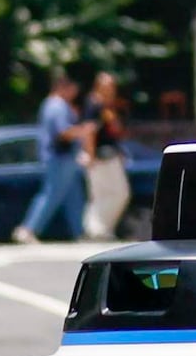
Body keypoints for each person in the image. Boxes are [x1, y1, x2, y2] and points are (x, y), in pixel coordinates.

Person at [25, 67, 89, 242]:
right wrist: (83, 131)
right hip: (60, 156)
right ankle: (28, 229)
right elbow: (63, 132)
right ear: (63, 87)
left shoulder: (50, 104)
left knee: (74, 197)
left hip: (64, 157)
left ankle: (79, 232)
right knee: (51, 194)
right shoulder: (57, 105)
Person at [83, 71, 132, 242]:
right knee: (119, 193)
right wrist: (89, 155)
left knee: (104, 194)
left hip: (109, 153)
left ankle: (100, 228)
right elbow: (89, 131)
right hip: (101, 156)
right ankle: (97, 228)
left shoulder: (106, 107)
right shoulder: (95, 104)